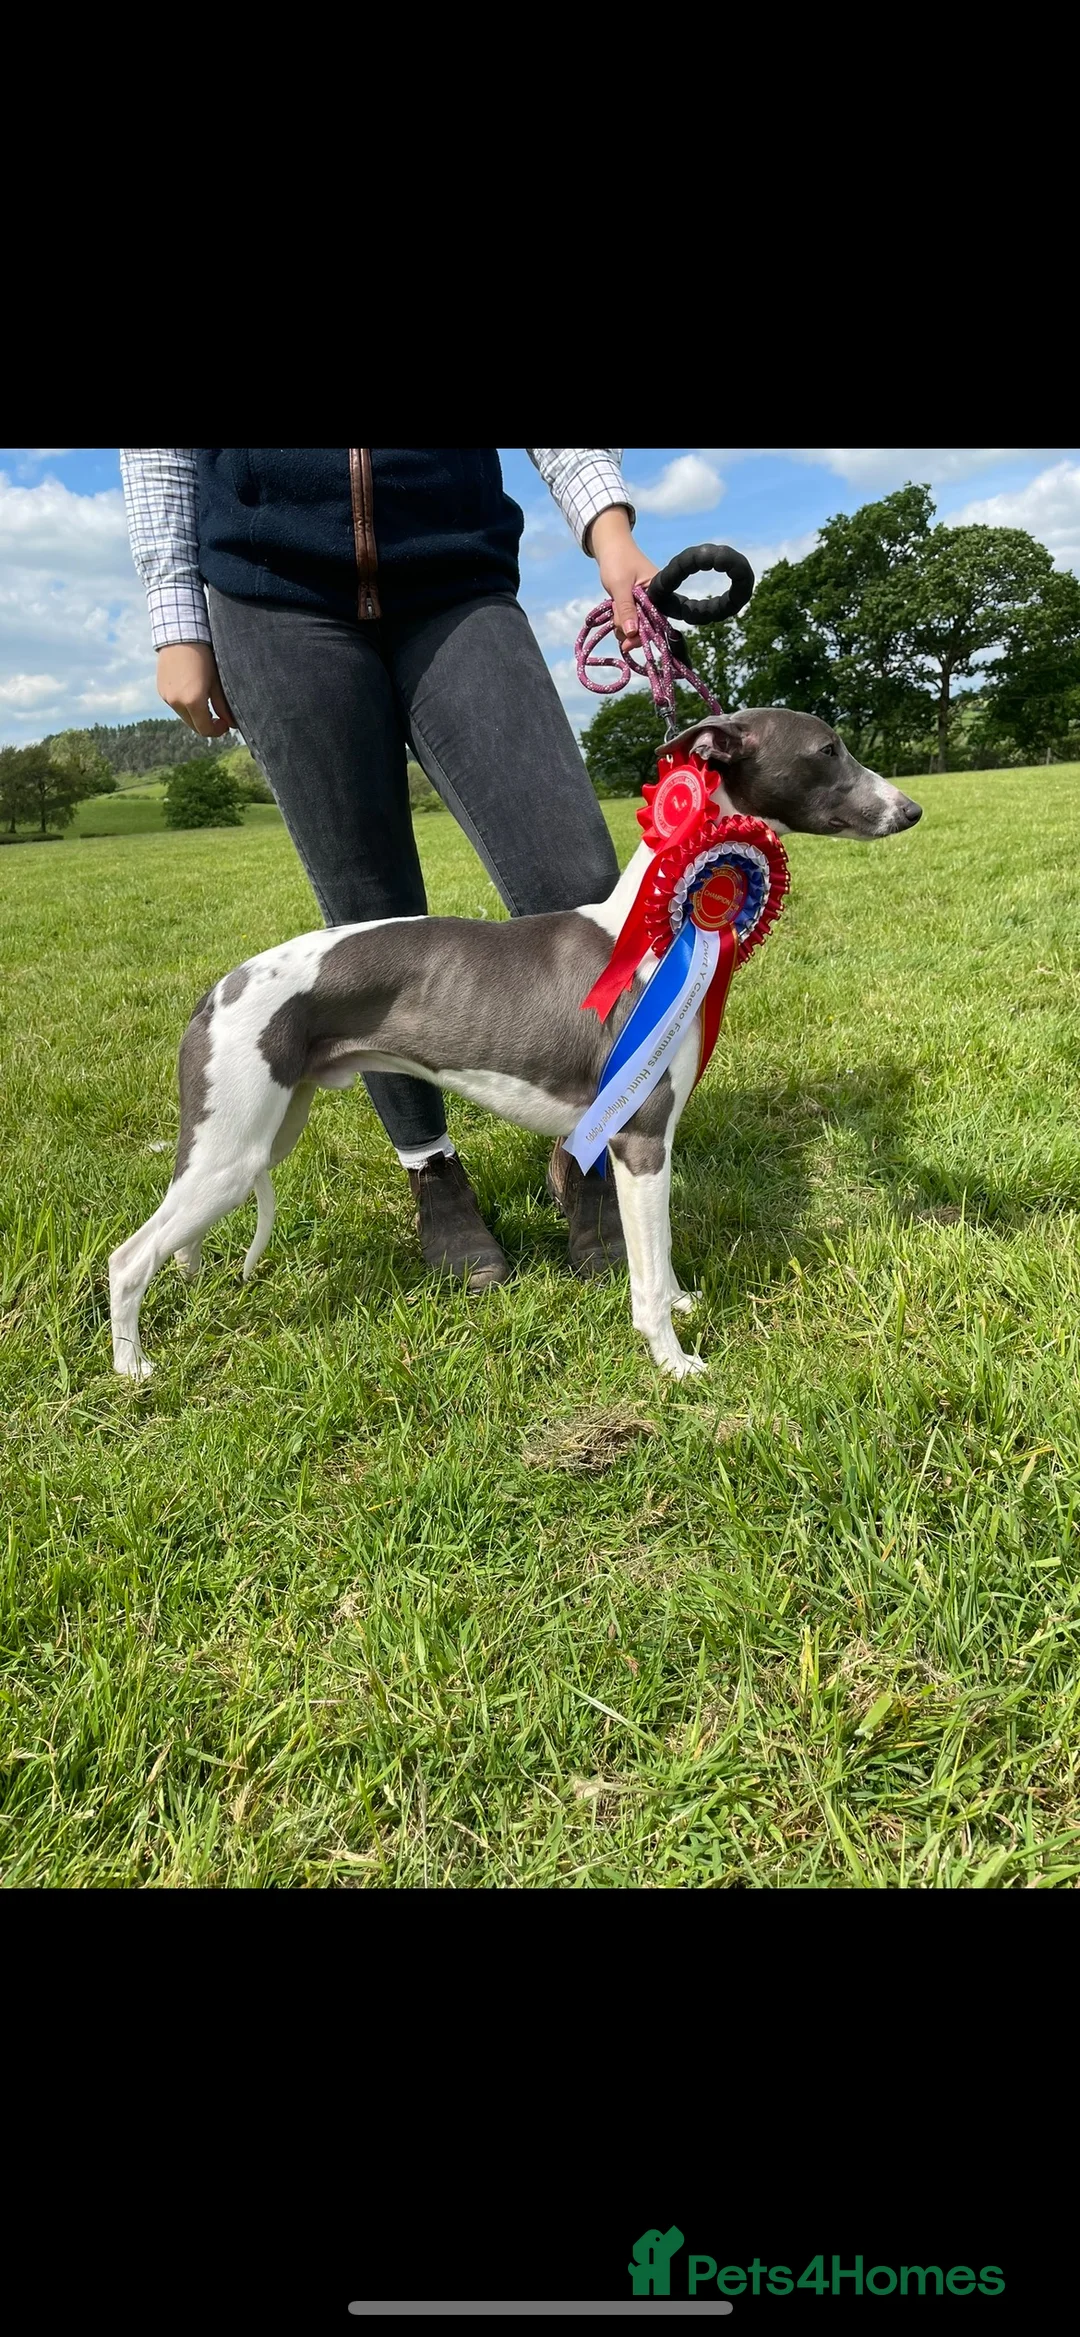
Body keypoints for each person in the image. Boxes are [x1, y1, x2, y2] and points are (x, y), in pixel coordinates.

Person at [120, 448, 659, 1291]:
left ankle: (588, 1151)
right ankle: (432, 1168)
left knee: (575, 877)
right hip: (274, 591)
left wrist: (608, 527)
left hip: (455, 574)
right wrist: (174, 611)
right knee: (367, 912)